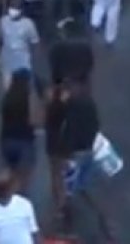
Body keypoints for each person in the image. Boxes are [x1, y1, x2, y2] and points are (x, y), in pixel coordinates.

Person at [45, 79, 99, 228]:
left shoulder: (68, 107)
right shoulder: (89, 104)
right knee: (78, 182)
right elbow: (95, 124)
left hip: (68, 151)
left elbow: (61, 126)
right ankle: (76, 204)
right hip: (86, 148)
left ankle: (62, 211)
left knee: (62, 181)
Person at [0, 70, 40, 184]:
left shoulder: (7, 98)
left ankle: (10, 195)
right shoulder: (29, 98)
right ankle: (20, 199)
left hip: (7, 140)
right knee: (24, 179)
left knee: (11, 174)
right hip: (24, 141)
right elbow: (34, 120)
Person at [0, 0, 40, 87]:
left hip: (23, 64)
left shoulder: (29, 24)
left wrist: (34, 62)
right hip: (7, 64)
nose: (13, 9)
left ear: (22, 9)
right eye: (12, 6)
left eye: (16, 7)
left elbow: (35, 43)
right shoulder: (3, 21)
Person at [49, 18, 94, 89]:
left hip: (63, 84)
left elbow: (54, 66)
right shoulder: (85, 45)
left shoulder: (57, 47)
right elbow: (90, 63)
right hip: (81, 83)